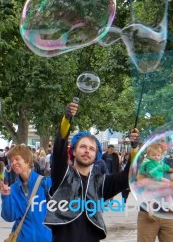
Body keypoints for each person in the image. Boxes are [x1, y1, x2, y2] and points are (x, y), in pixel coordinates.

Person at [44, 102, 133, 242]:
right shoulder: (63, 176)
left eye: (92, 149)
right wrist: (66, 119)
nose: (87, 151)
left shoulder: (101, 182)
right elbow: (59, 149)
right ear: (73, 151)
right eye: (83, 147)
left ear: (96, 155)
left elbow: (129, 176)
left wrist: (134, 149)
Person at [0, 145, 52, 241]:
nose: (13, 163)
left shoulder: (46, 183)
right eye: (11, 161)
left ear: (27, 160)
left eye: (17, 159)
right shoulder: (13, 189)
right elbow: (9, 217)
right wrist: (5, 197)